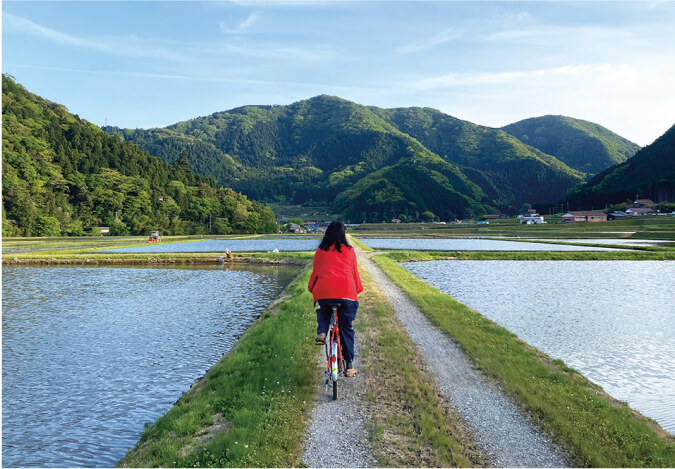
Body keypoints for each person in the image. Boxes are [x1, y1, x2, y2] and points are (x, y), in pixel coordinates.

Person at [308, 221, 363, 377]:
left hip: (324, 291)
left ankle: (323, 332)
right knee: (346, 328)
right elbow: (354, 274)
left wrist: (312, 288)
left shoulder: (320, 251)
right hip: (346, 292)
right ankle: (349, 367)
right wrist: (358, 289)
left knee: (323, 310)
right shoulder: (350, 251)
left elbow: (315, 274)